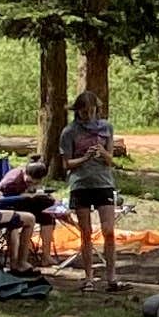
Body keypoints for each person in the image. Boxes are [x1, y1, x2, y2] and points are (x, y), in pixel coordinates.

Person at [53, 88, 122, 290]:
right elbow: (67, 164)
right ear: (77, 111)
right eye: (84, 111)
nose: (88, 115)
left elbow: (110, 160)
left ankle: (111, 277)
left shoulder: (106, 128)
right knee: (86, 232)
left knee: (109, 230)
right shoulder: (69, 132)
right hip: (80, 184)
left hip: (104, 183)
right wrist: (85, 158)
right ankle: (89, 277)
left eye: (91, 111)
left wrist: (102, 153)